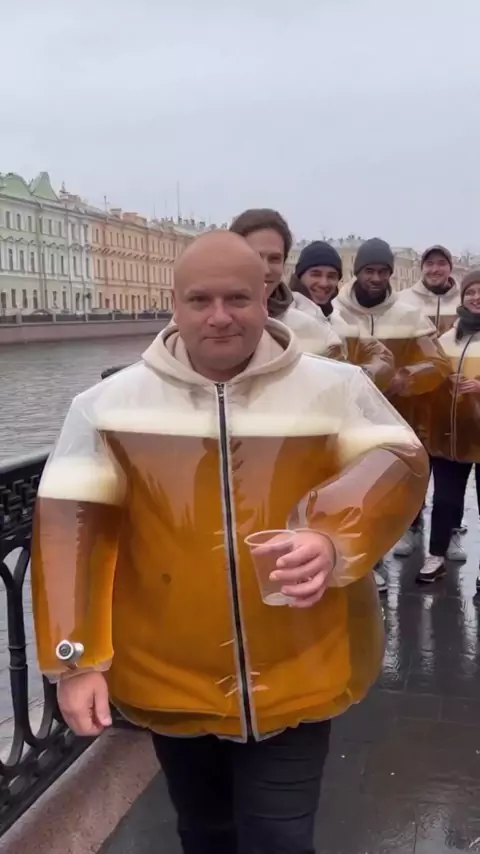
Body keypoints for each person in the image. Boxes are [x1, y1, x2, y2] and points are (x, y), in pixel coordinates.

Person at [31, 231, 428, 854]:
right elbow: (68, 530)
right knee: (204, 831)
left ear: (267, 297)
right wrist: (75, 660)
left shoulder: (336, 388)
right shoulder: (105, 406)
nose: (220, 316)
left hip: (301, 663)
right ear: (175, 304)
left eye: (238, 298)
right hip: (169, 672)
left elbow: (400, 460)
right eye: (201, 300)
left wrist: (332, 535)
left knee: (280, 838)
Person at [334, 237, 451, 588]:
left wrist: (406, 377)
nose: (376, 278)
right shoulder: (335, 312)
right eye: (369, 270)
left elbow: (438, 363)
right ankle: (365, 560)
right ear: (357, 272)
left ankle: (381, 553)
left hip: (396, 419)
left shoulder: (408, 314)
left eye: (383, 271)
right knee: (351, 493)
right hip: (347, 421)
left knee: (385, 492)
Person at [417, 269, 480, 584]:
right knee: (444, 500)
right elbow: (432, 374)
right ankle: (436, 556)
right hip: (451, 433)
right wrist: (444, 379)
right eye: (471, 292)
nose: (476, 297)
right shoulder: (447, 337)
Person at [230, 208, 345, 359]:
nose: (265, 270)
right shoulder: (205, 323)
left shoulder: (314, 331)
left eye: (275, 259)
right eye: (254, 257)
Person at [289, 241, 395, 391]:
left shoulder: (339, 318)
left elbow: (382, 355)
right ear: (300, 276)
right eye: (316, 274)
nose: (324, 283)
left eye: (331, 276)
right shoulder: (284, 318)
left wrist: (365, 373)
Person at [397, 245, 460, 333]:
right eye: (429, 263)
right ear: (422, 268)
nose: (435, 270)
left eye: (441, 263)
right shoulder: (401, 300)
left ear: (450, 268)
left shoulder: (466, 301)